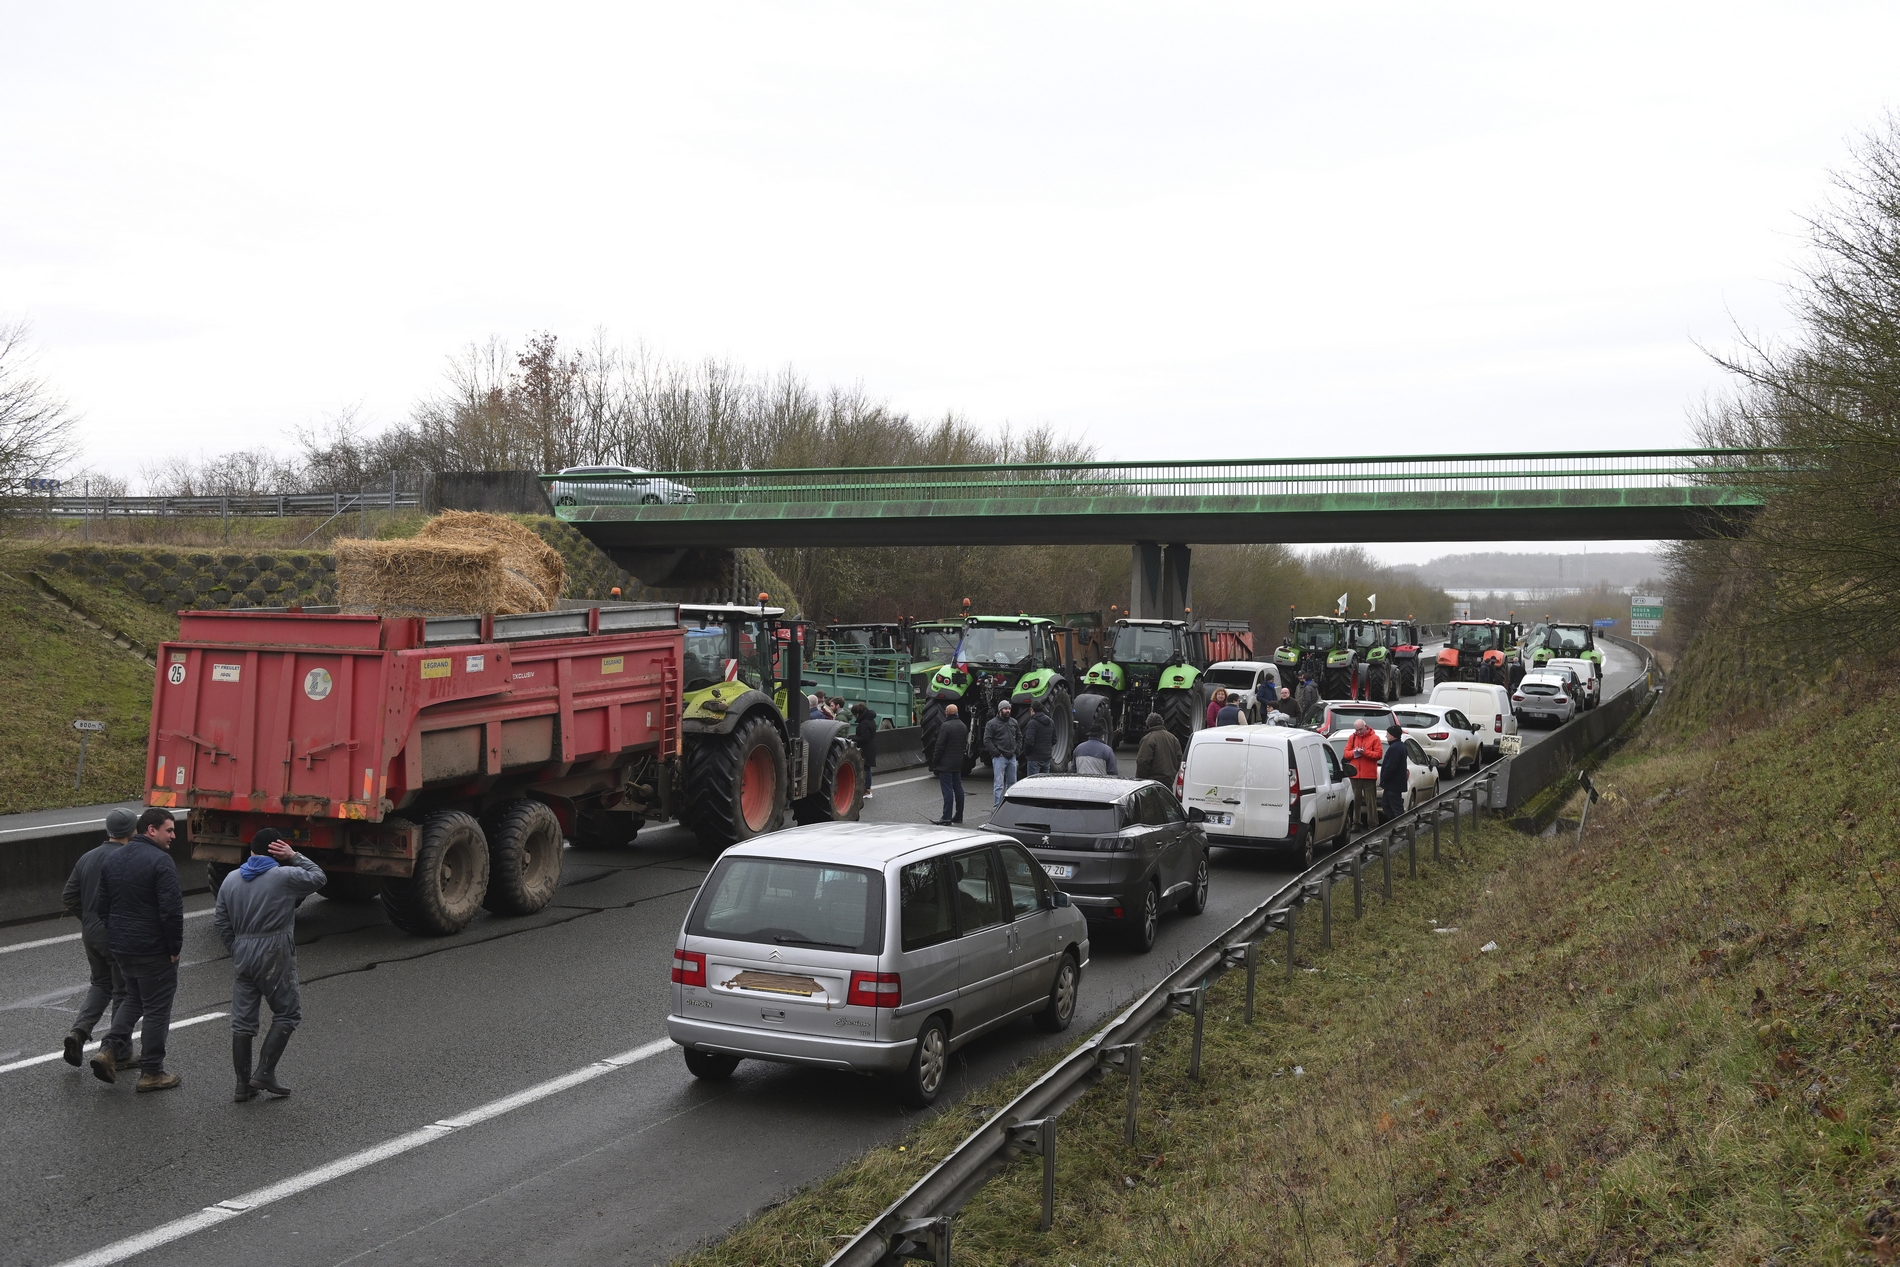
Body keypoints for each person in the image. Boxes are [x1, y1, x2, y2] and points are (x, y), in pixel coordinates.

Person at [214, 828, 326, 1100]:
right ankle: (264, 1072)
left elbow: (221, 921)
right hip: (274, 950)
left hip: (243, 951)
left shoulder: (230, 879)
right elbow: (319, 878)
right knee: (287, 1013)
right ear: (277, 851)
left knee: (242, 1022)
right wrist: (295, 855)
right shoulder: (283, 876)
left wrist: (237, 948)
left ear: (252, 851)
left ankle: (242, 1085)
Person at [92, 808, 184, 1091]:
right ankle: (152, 1071)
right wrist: (174, 947)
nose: (173, 835)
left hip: (122, 947)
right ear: (151, 829)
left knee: (133, 999)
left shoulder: (113, 859)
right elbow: (171, 911)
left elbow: (101, 907)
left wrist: (119, 935)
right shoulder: (161, 862)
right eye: (168, 830)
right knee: (157, 1009)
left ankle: (108, 1049)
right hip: (153, 949)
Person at [59, 807, 140, 1070]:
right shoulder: (129, 858)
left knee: (100, 984)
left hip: (91, 933)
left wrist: (90, 919)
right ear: (132, 831)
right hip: (116, 934)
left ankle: (79, 1032)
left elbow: (69, 896)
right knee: (123, 992)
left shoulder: (87, 857)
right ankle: (119, 1051)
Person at [1342, 719, 1383, 832]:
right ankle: (1356, 823)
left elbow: (1379, 755)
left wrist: (1365, 753)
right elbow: (1346, 753)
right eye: (1357, 730)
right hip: (1355, 775)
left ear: (1365, 727)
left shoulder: (1375, 738)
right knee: (1356, 801)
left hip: (1369, 775)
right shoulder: (1352, 737)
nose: (1359, 732)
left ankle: (1373, 825)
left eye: (1360, 729)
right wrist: (1355, 752)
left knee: (1371, 802)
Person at [932, 703, 968, 825]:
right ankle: (959, 815)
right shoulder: (963, 726)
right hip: (957, 763)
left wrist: (934, 762)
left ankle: (946, 817)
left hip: (945, 764)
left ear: (947, 713)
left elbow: (939, 746)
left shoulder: (945, 726)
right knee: (958, 788)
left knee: (947, 790)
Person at [983, 700, 1020, 808]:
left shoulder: (1014, 722)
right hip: (1000, 758)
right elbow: (987, 740)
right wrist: (996, 753)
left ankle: (1010, 807)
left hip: (1012, 757)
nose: (1007, 710)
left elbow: (1019, 737)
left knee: (1012, 783)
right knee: (999, 785)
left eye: (1009, 708)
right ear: (1000, 710)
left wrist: (1017, 750)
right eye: (1005, 709)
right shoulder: (992, 724)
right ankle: (997, 807)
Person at [1135, 712, 1182, 783]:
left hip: (1153, 782)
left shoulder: (1148, 739)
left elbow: (1143, 761)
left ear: (1149, 724)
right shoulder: (1173, 739)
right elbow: (1179, 759)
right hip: (1169, 780)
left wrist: (1140, 780)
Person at [1379, 724, 1409, 823]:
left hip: (1393, 784)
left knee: (1396, 808)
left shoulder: (1395, 748)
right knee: (1386, 804)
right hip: (1392, 784)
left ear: (1393, 735)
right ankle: (1394, 824)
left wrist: (1384, 777)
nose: (1386, 736)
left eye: (1387, 734)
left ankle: (1401, 827)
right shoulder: (1399, 746)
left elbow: (1391, 765)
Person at [1021, 698, 1056, 777]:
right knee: (1044, 783)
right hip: (1046, 757)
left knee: (1033, 784)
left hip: (1034, 758)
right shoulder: (1051, 722)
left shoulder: (1032, 723)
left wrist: (1027, 753)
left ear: (1032, 710)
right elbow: (1054, 740)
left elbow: (1029, 741)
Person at [852, 703, 878, 801]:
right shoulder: (870, 720)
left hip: (866, 748)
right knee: (866, 768)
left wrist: (853, 739)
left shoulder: (864, 723)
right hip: (871, 747)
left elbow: (864, 738)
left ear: (858, 714)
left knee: (866, 768)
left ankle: (867, 790)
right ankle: (866, 789)